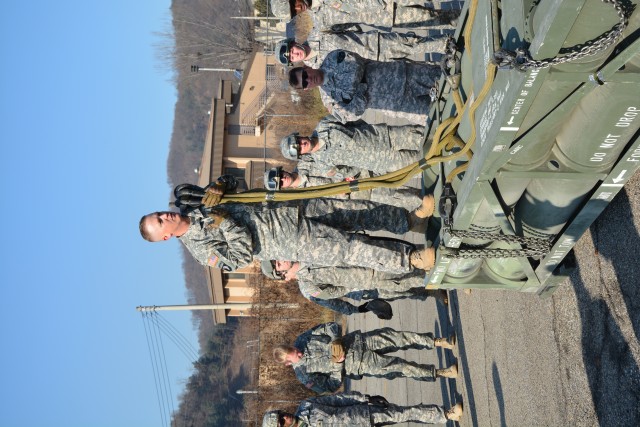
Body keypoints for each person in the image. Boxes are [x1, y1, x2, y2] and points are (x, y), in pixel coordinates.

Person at [139, 196, 437, 273]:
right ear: (166, 237)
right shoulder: (202, 252)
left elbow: (241, 191)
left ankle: (409, 221)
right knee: (351, 248)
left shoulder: (199, 205)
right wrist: (225, 223)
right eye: (161, 222)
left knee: (357, 211)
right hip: (288, 239)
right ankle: (412, 260)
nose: (165, 216)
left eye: (159, 213)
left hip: (291, 210)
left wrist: (221, 184)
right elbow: (240, 257)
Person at [273, 322, 458, 394]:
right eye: (295, 356)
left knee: (400, 337)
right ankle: (442, 372)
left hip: (360, 341)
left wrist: (336, 338)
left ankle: (438, 341)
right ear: (289, 363)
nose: (299, 352)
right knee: (402, 367)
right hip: (362, 364)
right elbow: (331, 386)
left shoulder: (302, 339)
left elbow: (330, 325)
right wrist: (337, 366)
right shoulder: (305, 375)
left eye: (294, 349)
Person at [289, 50, 440, 124]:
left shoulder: (333, 58)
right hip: (398, 104)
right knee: (438, 117)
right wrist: (359, 88)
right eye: (305, 83)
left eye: (304, 75)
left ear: (306, 68)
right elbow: (353, 114)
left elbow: (356, 66)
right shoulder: (329, 101)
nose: (308, 79)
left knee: (447, 77)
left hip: (403, 75)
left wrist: (356, 94)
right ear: (307, 89)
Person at [261, 260, 448, 318]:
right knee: (401, 289)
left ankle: (440, 273)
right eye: (278, 264)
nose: (282, 261)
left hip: (361, 263)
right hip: (362, 288)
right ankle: (433, 289)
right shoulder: (307, 289)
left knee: (402, 268)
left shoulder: (301, 252)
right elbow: (332, 300)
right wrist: (355, 309)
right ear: (283, 276)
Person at [280, 115, 426, 176]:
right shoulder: (322, 164)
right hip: (384, 162)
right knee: (424, 164)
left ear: (299, 136)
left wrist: (369, 131)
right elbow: (346, 172)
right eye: (299, 149)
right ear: (302, 155)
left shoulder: (325, 124)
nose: (301, 144)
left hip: (386, 137)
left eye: (298, 141)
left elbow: (353, 121)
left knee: (426, 136)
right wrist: (365, 164)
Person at [264, 165, 425, 211]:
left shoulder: (306, 163)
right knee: (409, 199)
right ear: (282, 188)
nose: (283, 178)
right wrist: (342, 194)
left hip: (363, 174)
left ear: (283, 169)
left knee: (411, 172)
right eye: (280, 183)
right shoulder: (304, 197)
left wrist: (345, 176)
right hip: (363, 194)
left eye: (281, 174)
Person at [262, 392, 463, 426]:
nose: (285, 417)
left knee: (403, 412)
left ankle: (446, 414)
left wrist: (364, 398)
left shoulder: (307, 406)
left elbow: (339, 399)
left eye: (281, 414)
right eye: (281, 422)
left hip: (363, 415)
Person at [275, 32, 447, 67]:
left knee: (413, 45)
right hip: (376, 67)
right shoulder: (315, 70)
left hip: (375, 45)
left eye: (292, 50)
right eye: (292, 57)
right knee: (415, 67)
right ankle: (445, 64)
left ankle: (445, 45)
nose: (295, 54)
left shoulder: (318, 33)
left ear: (294, 43)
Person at [269, 0, 451, 31]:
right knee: (438, 19)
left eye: (294, 4)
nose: (298, 8)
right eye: (295, 13)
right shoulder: (322, 20)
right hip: (388, 17)